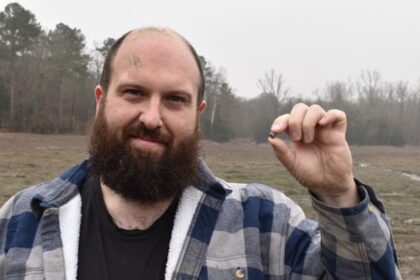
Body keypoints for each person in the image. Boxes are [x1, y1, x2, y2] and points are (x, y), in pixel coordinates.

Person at [0, 27, 400, 280]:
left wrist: (337, 193)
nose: (151, 117)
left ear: (198, 115)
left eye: (175, 99)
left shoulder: (263, 225)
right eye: (135, 92)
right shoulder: (20, 222)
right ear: (101, 101)